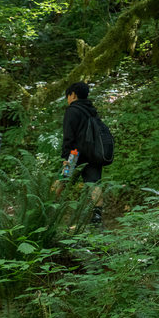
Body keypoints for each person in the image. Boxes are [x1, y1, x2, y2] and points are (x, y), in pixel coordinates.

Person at [55, 82, 105, 225]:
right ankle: (97, 216)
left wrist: (66, 157)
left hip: (75, 153)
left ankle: (47, 209)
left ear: (73, 95)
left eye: (68, 96)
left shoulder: (72, 110)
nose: (68, 99)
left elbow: (69, 136)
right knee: (94, 183)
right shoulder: (92, 110)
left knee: (63, 179)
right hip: (93, 152)